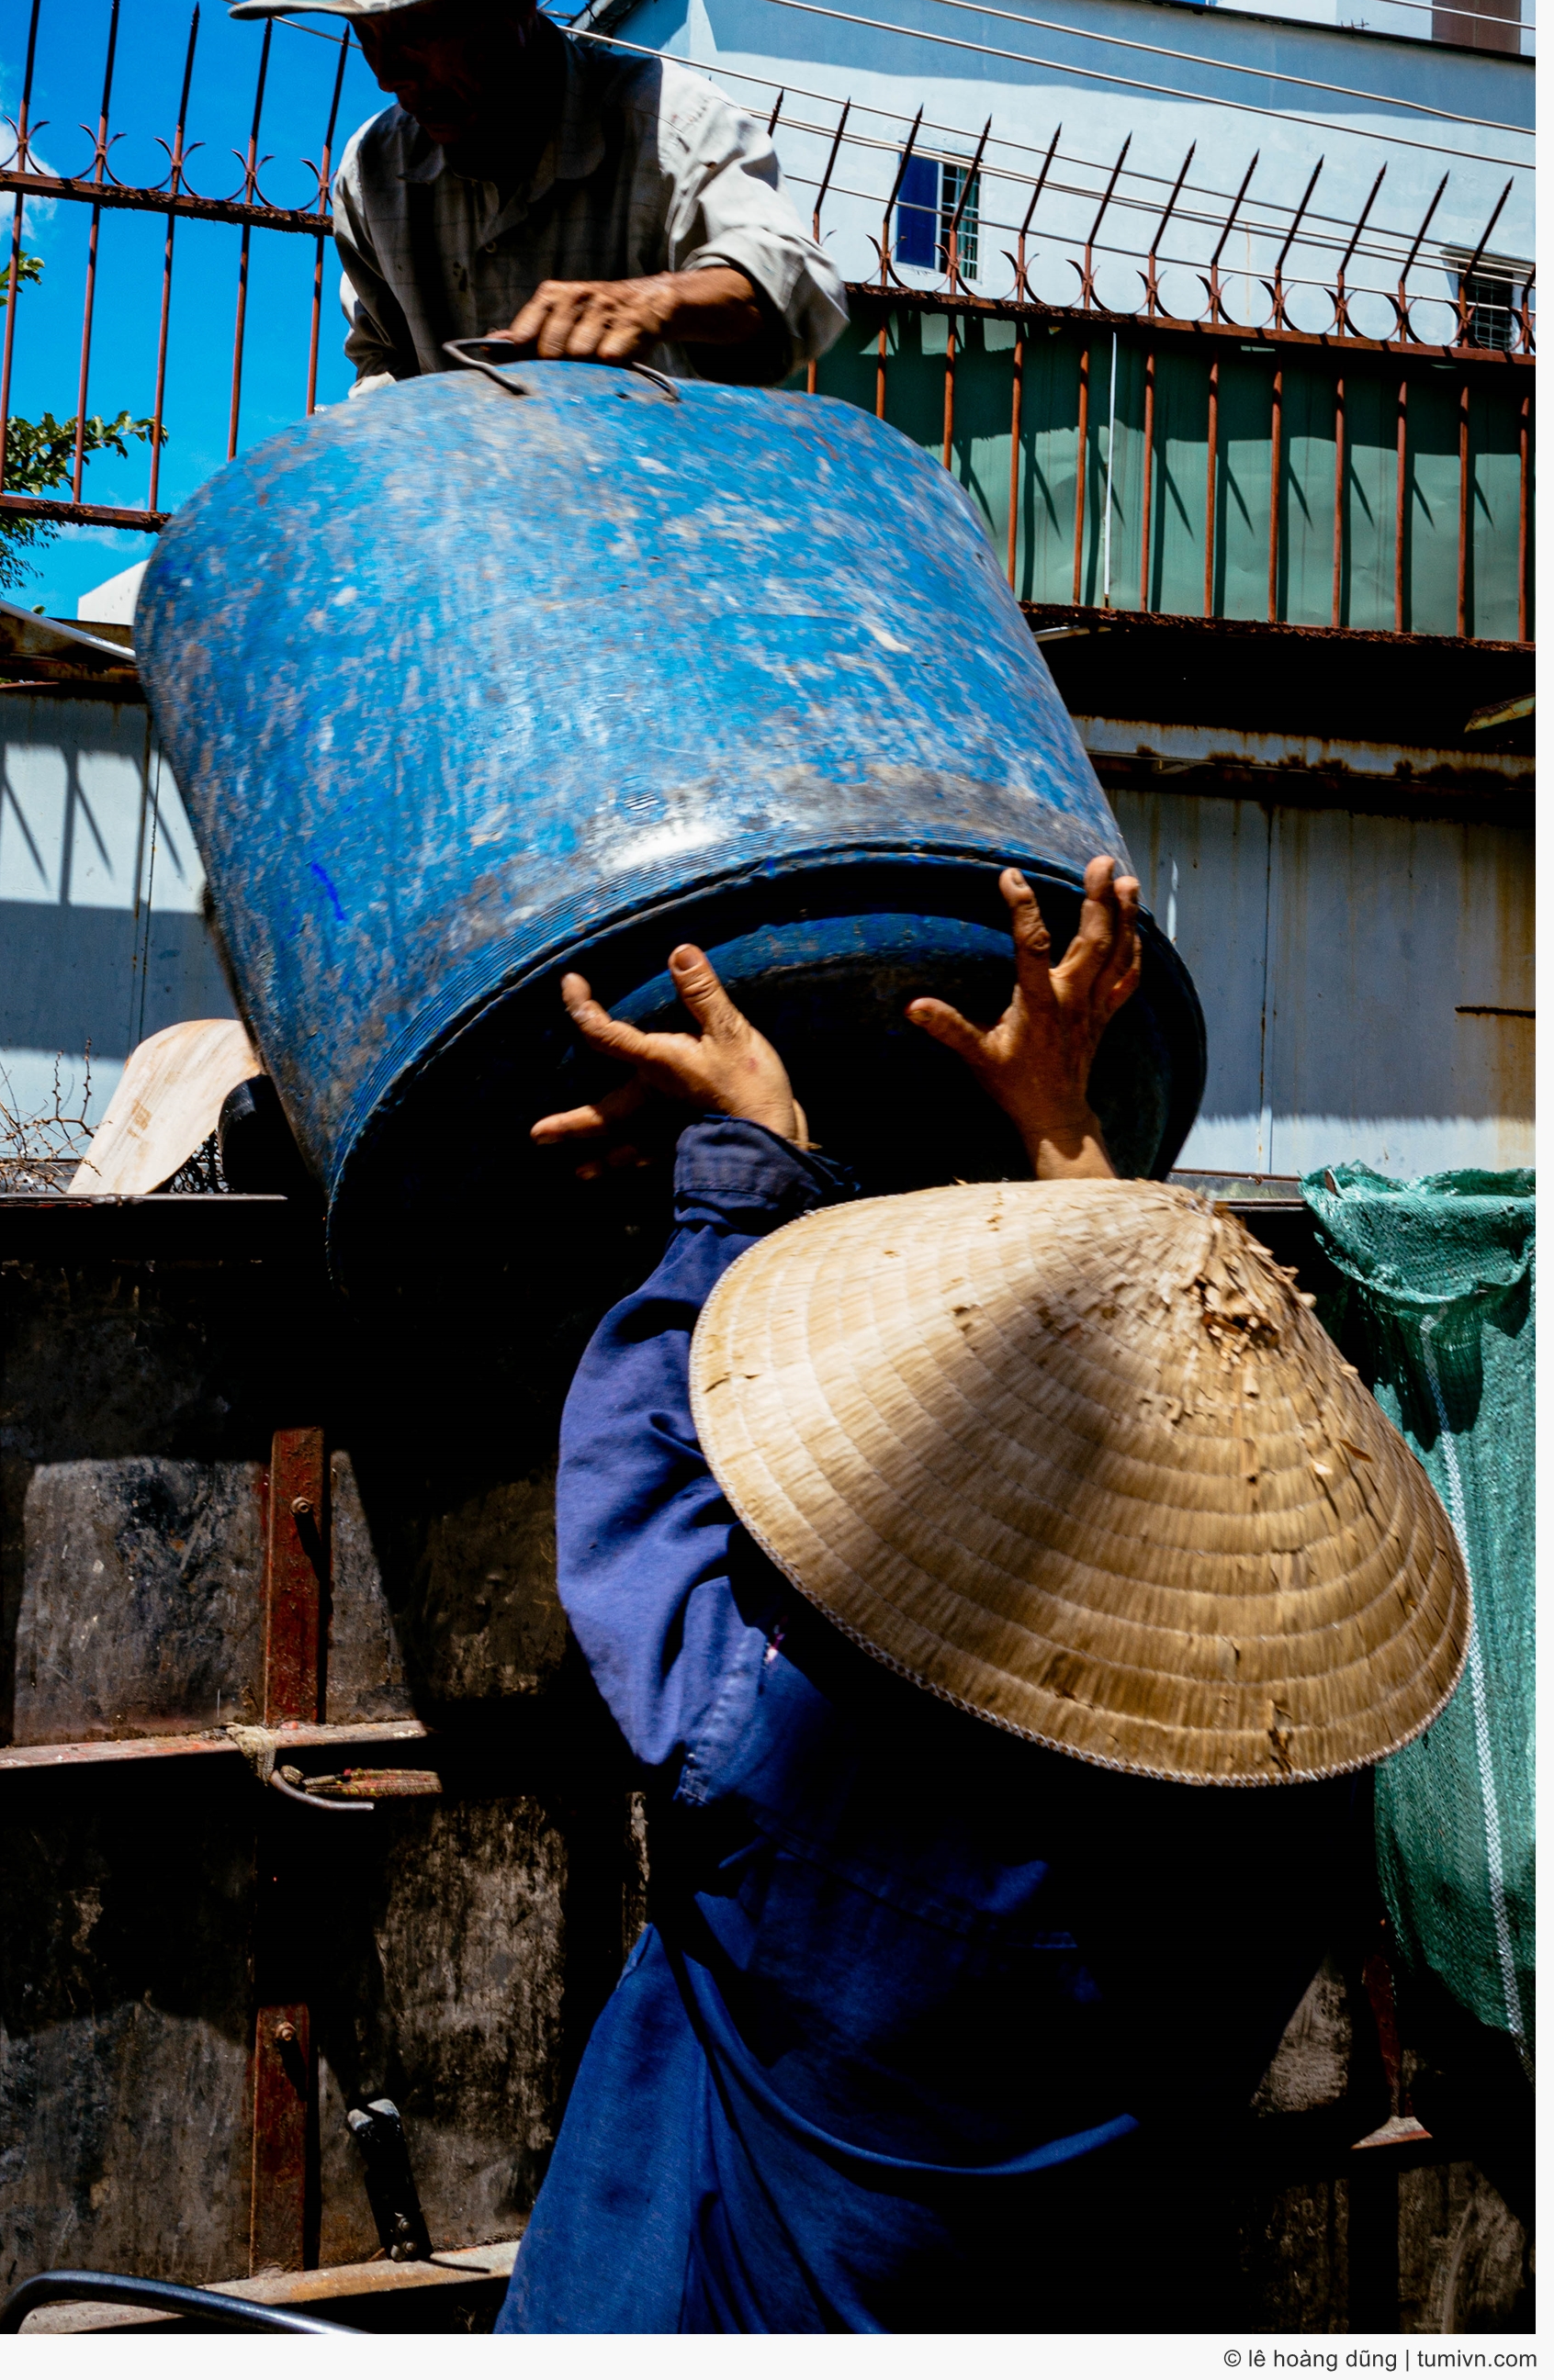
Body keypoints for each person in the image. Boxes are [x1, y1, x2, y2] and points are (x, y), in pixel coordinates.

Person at [496, 857, 1466, 2334]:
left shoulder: (779, 1756)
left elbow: (643, 1471)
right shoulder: (1296, 1820)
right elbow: (1157, 1454)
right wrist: (1073, 1146)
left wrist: (747, 1164)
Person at [231, 0, 847, 391]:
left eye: (416, 30)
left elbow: (790, 284)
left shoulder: (669, 121)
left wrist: (653, 301)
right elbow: (384, 361)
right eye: (367, 34)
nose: (391, 75)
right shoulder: (373, 172)